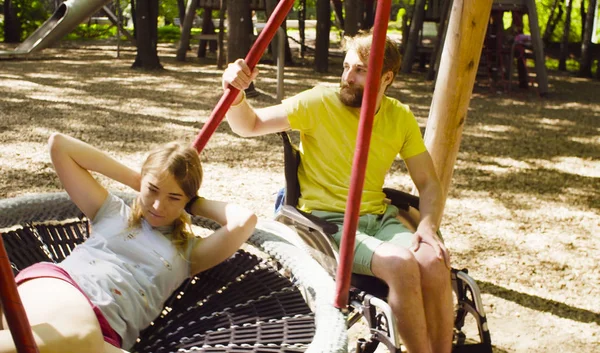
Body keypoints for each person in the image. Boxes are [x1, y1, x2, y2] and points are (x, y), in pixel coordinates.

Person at [222, 31, 453, 353]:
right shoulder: (319, 101)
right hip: (327, 224)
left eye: (359, 70)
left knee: (434, 260)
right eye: (346, 67)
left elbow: (428, 182)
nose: (347, 77)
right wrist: (235, 95)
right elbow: (249, 125)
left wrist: (427, 227)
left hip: (377, 218)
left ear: (387, 77)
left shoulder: (398, 116)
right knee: (401, 264)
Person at [0, 133, 257, 353]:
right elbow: (60, 145)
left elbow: (245, 221)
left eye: (173, 198)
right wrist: (138, 179)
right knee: (79, 338)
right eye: (152, 190)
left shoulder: (189, 253)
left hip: (102, 337)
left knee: (83, 342)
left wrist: (192, 202)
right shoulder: (111, 211)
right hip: (61, 290)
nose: (158, 205)